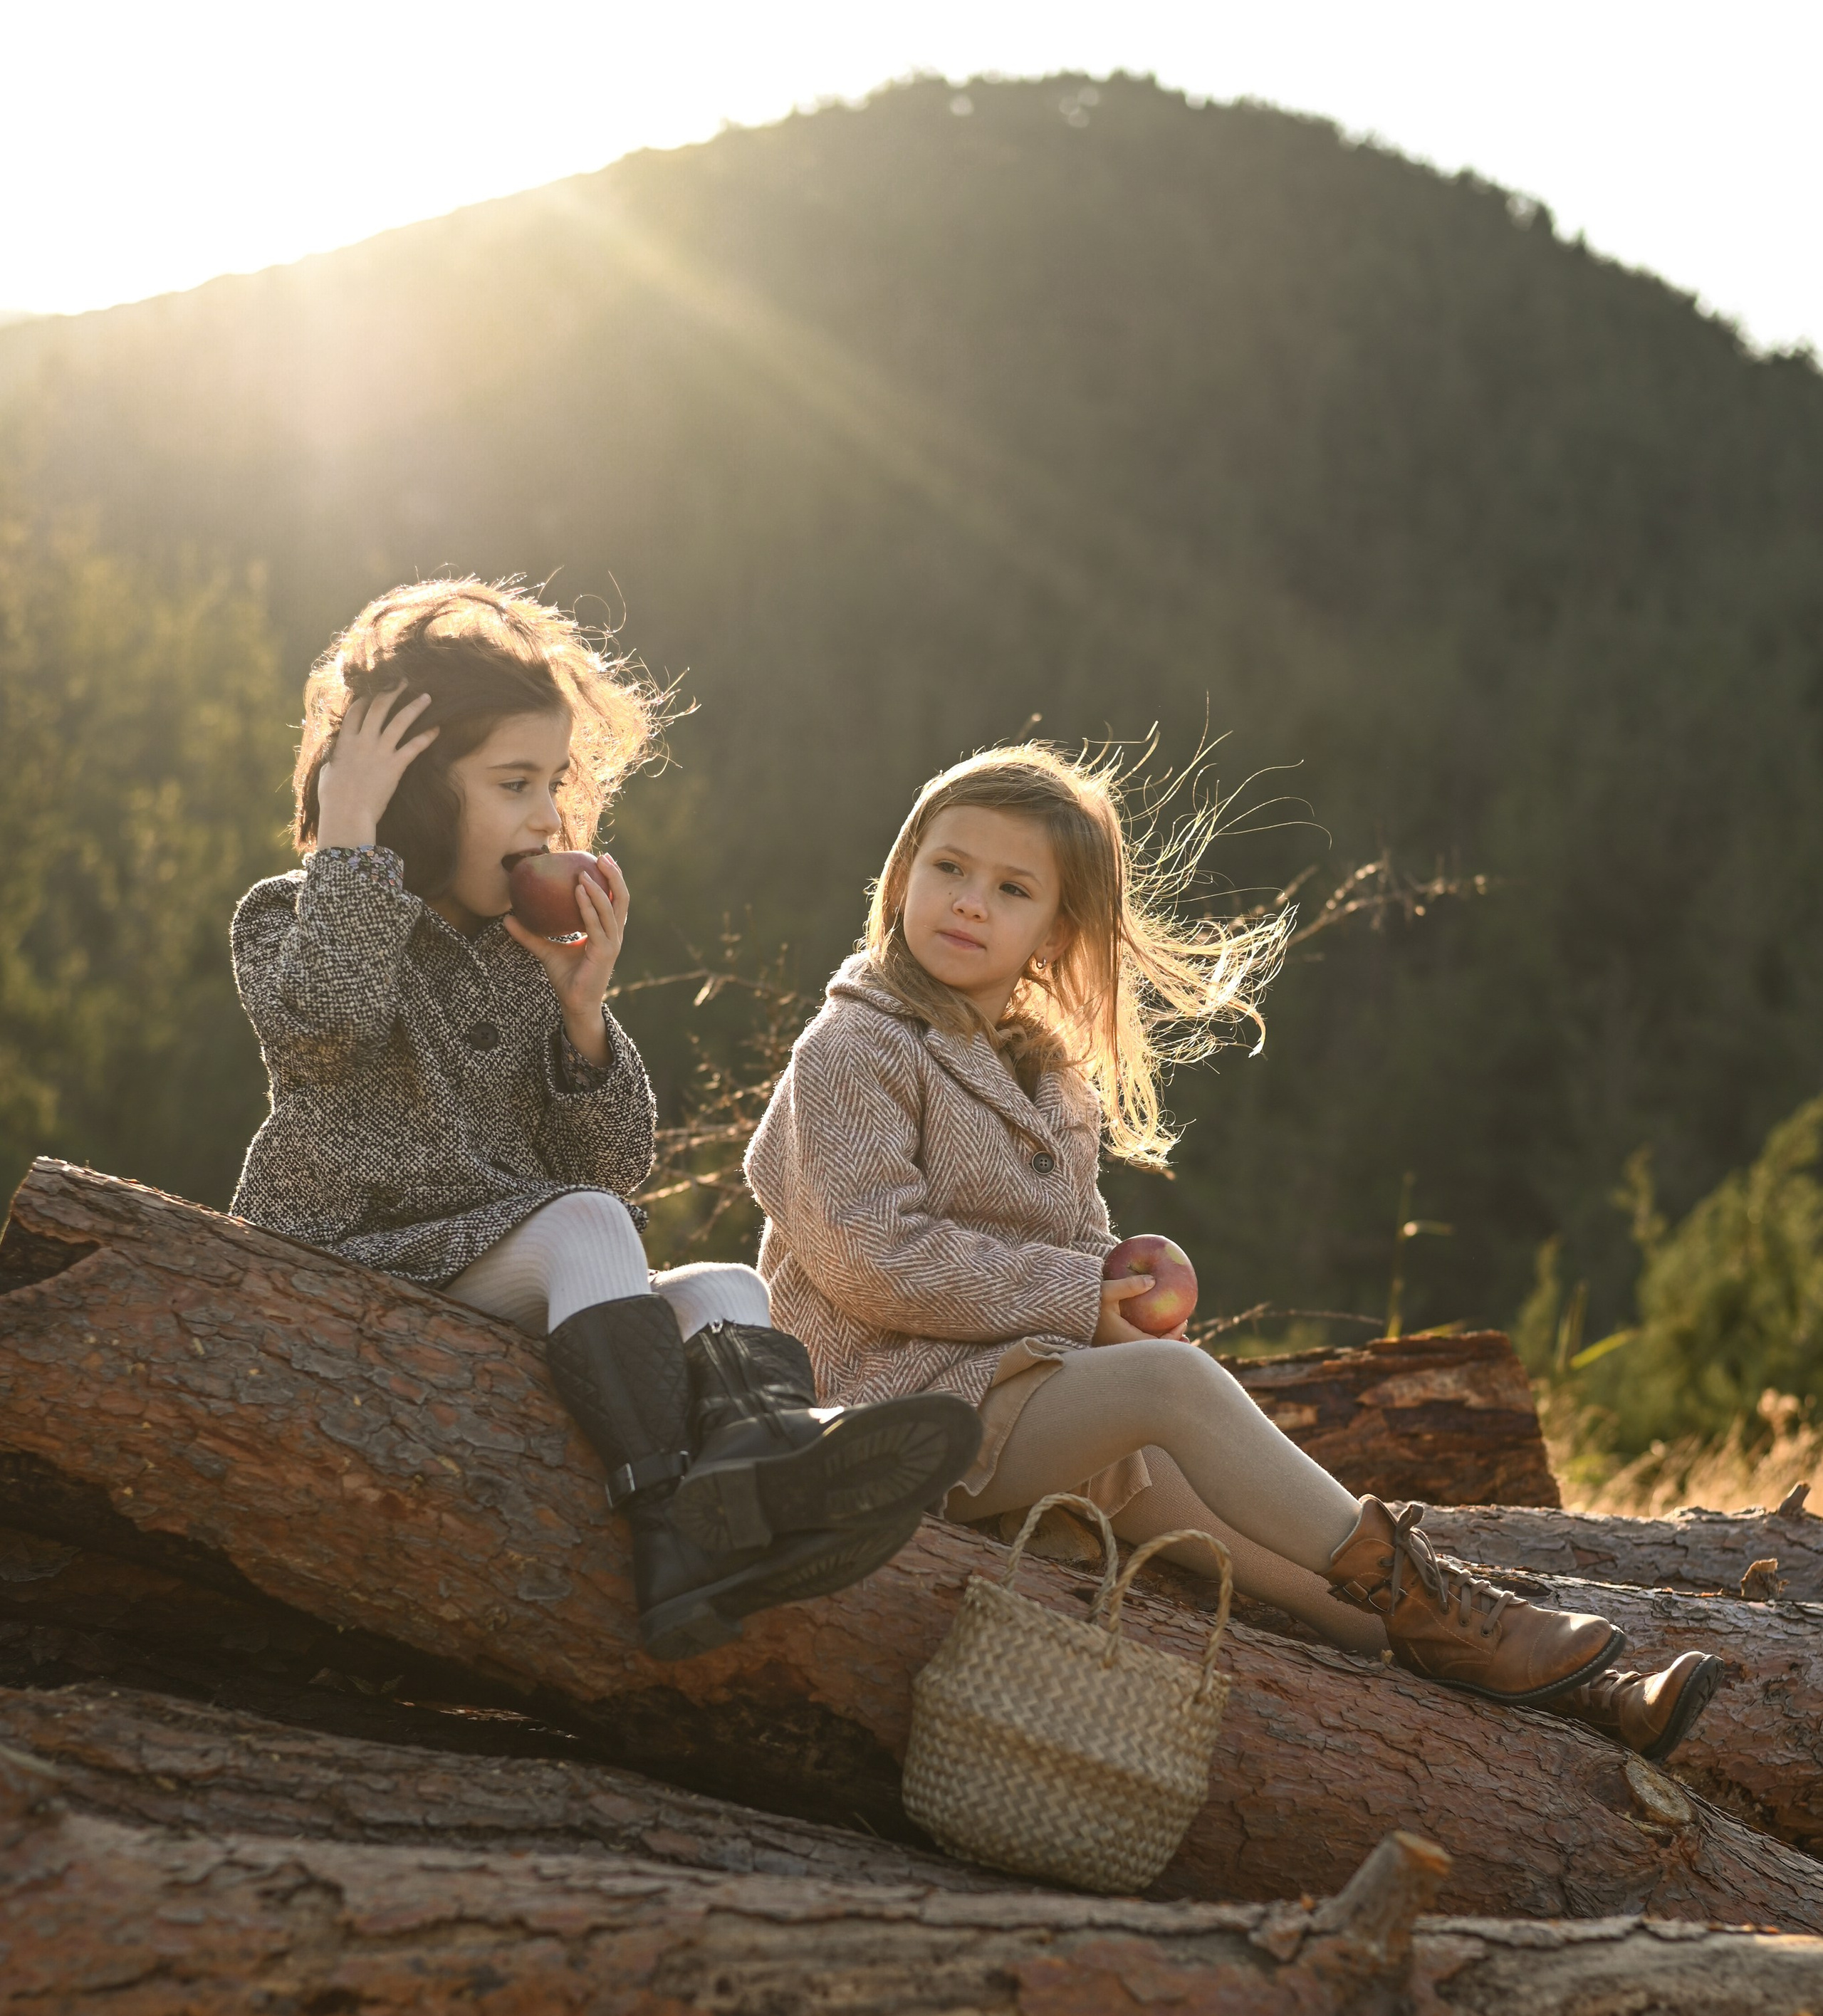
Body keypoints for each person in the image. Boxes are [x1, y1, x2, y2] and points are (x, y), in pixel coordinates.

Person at [746, 744, 1721, 1761]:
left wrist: (1109, 1288)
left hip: (1012, 1394)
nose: (969, 902)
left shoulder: (1048, 1082)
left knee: (1294, 1574)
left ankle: (1590, 1695)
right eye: (948, 868)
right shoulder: (853, 1050)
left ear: (1055, 930)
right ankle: (1461, 1611)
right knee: (1170, 1385)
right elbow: (873, 1258)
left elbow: (1081, 1250)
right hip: (879, 1415)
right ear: (902, 875)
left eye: (1011, 887)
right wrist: (1090, 1297)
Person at [229, 579, 978, 1661]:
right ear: (419, 797)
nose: (549, 816)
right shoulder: (294, 914)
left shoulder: (521, 962)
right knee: (582, 1227)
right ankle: (671, 1530)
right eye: (514, 783)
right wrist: (350, 842)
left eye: (556, 783)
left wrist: (583, 1011)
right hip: (351, 1254)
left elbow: (616, 1171)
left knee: (726, 1287)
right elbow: (326, 1028)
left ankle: (759, 1487)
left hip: (488, 1266)